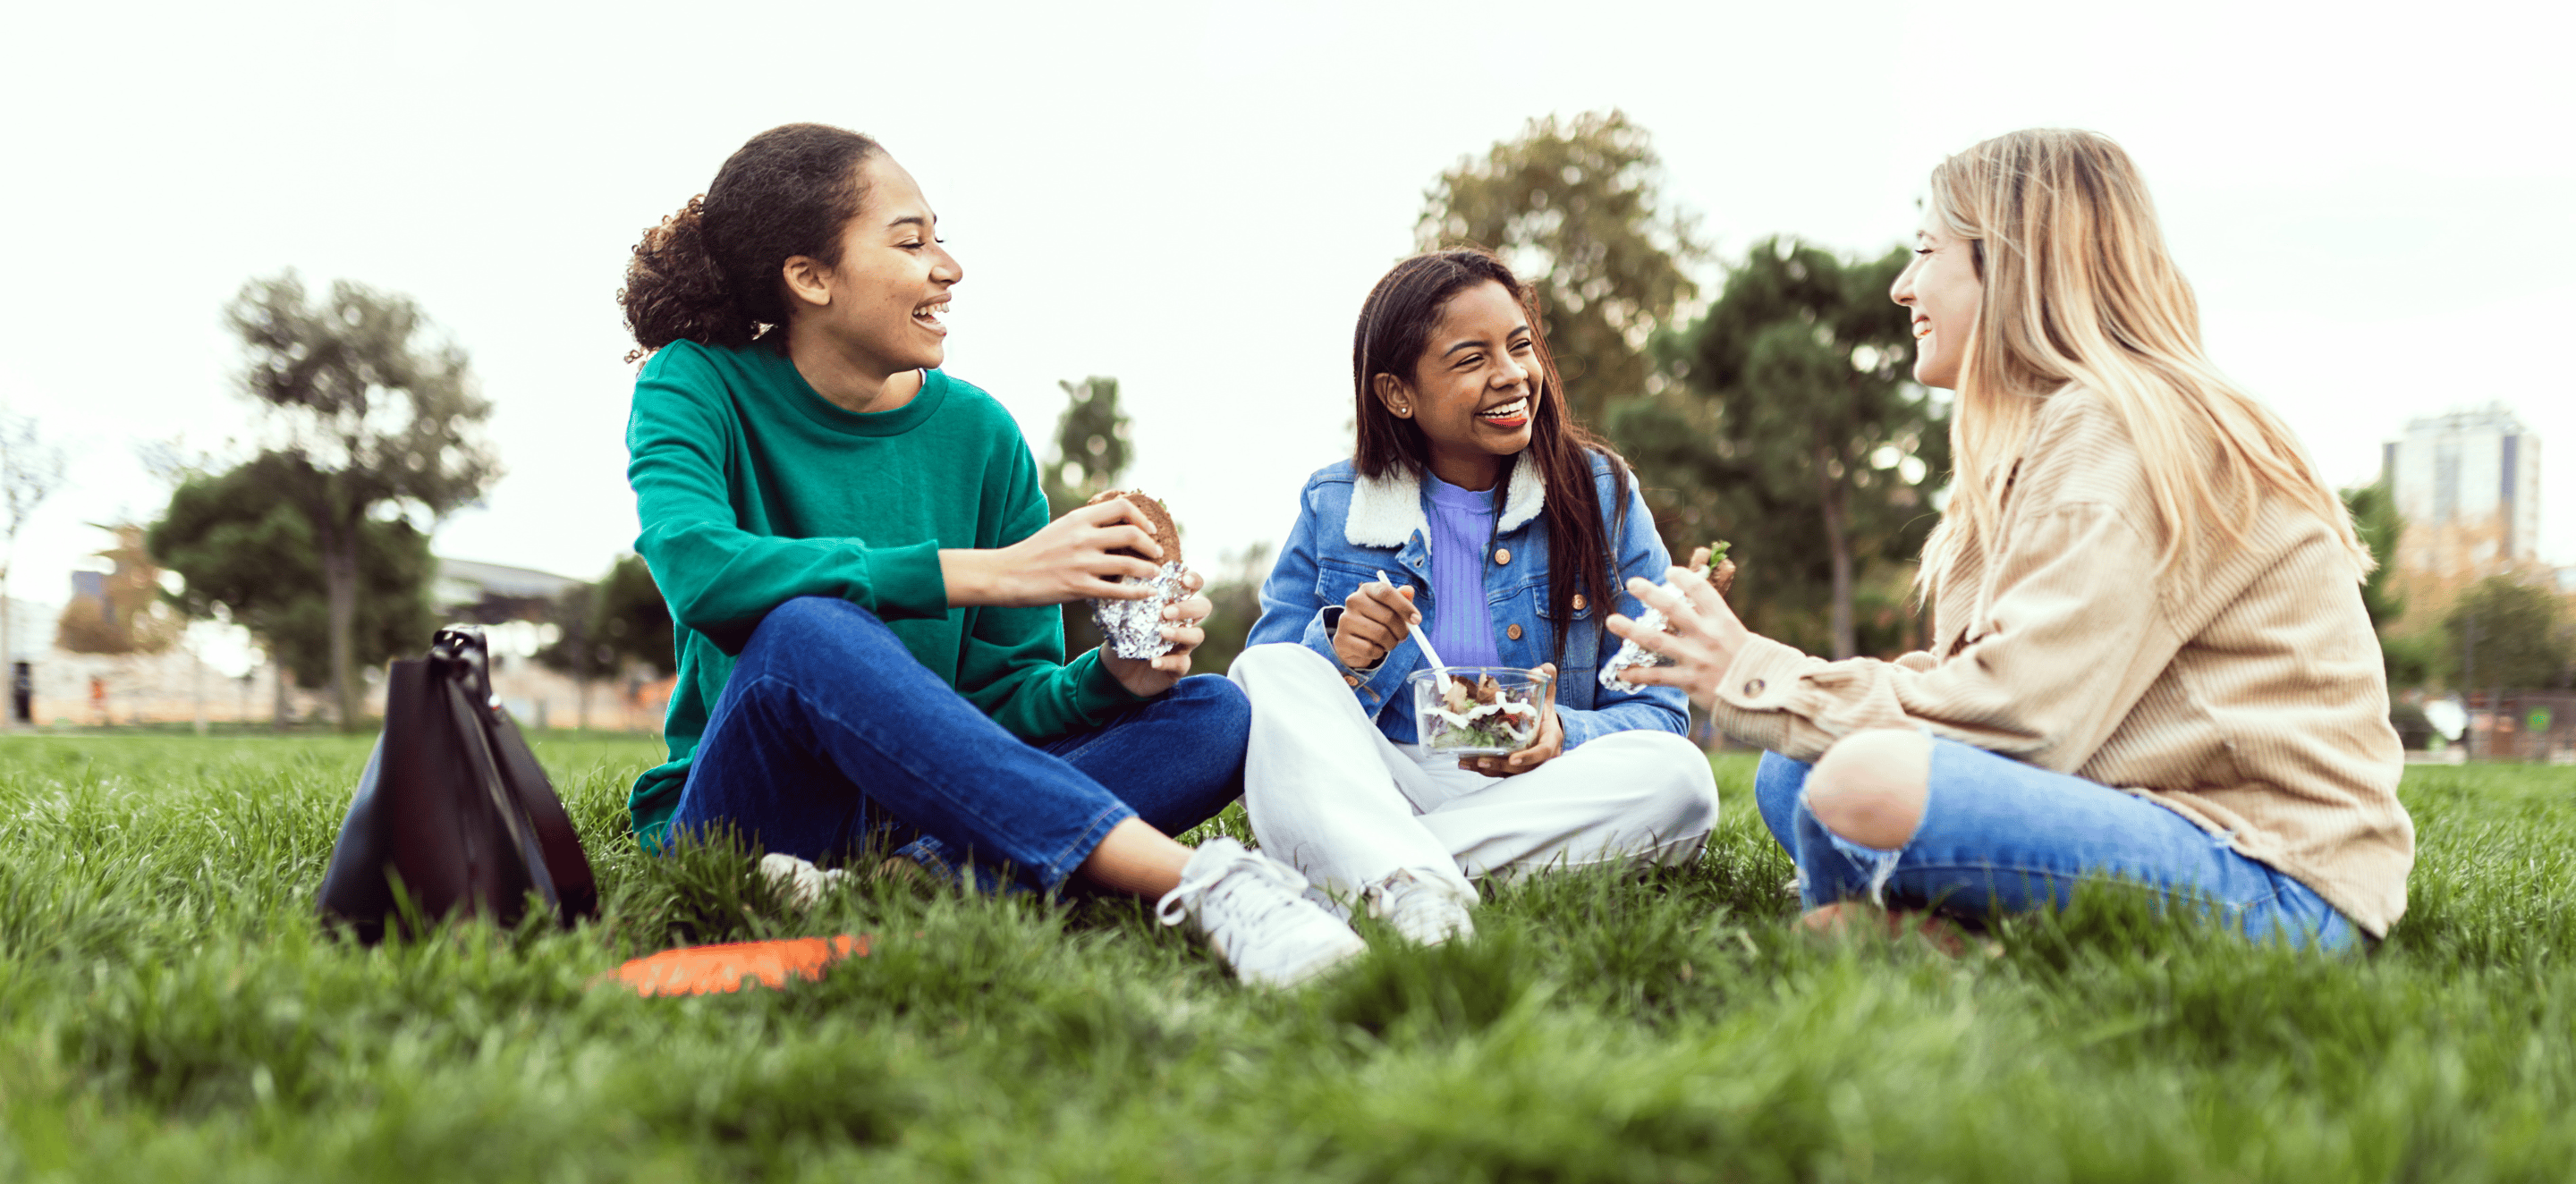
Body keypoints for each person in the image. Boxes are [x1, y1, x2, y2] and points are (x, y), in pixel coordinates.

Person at [1608, 130, 2411, 952]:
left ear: (2013, 266)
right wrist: (1781, 679)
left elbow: (2023, 719)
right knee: (1795, 770)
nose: (1902, 286)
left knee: (1858, 776)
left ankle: (1939, 937)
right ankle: (1964, 938)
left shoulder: (2117, 428)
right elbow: (1988, 682)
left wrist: (1750, 671)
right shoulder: (2047, 431)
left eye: (1927, 251)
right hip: (2141, 808)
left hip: (2274, 878)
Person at [617, 123, 1365, 985]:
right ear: (810, 277)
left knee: (1214, 715)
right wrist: (995, 573)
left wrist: (1111, 681)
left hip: (923, 811)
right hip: (751, 819)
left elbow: (1002, 699)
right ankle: (1204, 886)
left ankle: (908, 883)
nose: (949, 267)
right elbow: (703, 572)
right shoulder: (693, 381)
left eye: (940, 237)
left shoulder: (981, 434)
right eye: (911, 243)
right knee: (806, 627)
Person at [1229, 249, 1720, 944]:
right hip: (1386, 779)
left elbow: (1660, 713)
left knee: (1682, 780)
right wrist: (1342, 657)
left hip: (1545, 790)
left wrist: (1561, 733)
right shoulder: (1333, 502)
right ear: (1397, 394)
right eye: (1471, 359)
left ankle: (1376, 870)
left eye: (1520, 346)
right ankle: (1405, 873)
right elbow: (1265, 716)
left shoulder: (1601, 493)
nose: (1513, 374)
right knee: (1269, 668)